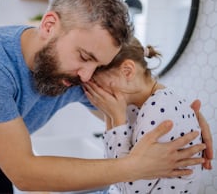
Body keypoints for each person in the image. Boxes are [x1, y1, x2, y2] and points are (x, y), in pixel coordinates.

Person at [0, 0, 211, 193]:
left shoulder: (77, 73)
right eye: (84, 56)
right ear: (50, 25)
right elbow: (24, 173)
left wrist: (187, 118)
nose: (87, 76)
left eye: (98, 65)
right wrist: (132, 167)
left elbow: (138, 99)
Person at [84, 37, 206, 194]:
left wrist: (117, 118)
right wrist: (110, 115)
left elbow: (129, 188)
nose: (96, 92)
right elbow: (112, 169)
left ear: (127, 71)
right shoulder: (143, 104)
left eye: (97, 84)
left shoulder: (157, 110)